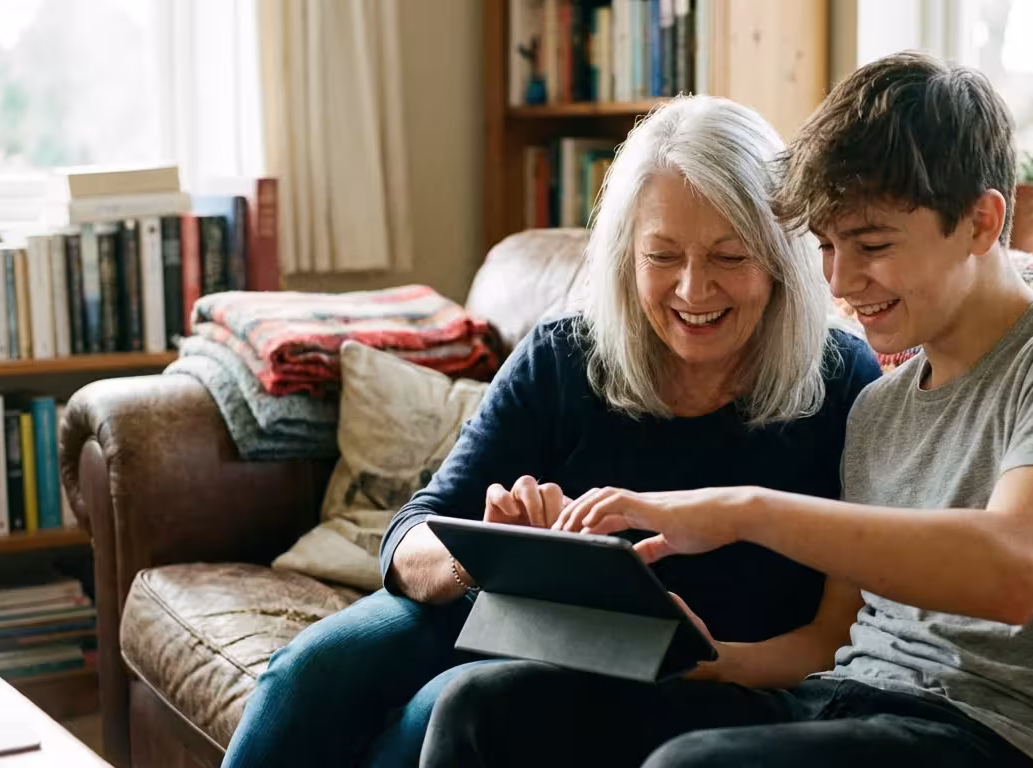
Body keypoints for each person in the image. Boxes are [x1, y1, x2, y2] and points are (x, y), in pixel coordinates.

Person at [419, 51, 1033, 768]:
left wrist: (743, 510)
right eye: (827, 247)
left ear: (980, 222)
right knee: (487, 710)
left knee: (697, 765)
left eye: (872, 244)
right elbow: (830, 641)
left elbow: (1016, 570)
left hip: (998, 735)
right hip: (838, 703)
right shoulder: (880, 407)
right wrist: (701, 661)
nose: (842, 281)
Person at [219, 95, 881, 768]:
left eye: (728, 257)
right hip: (524, 619)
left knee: (441, 711)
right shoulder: (568, 356)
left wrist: (714, 663)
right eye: (662, 255)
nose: (692, 288)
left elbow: (847, 633)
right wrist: (486, 553)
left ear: (778, 258)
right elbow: (411, 536)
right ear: (627, 255)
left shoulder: (840, 383)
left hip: (697, 675)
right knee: (307, 669)